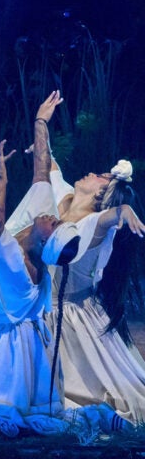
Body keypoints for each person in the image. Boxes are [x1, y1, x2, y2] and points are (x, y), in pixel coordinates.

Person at [0, 93, 128, 438]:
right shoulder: (45, 217)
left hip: (4, 337)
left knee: (6, 411)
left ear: (46, 242)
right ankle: (89, 414)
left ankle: (93, 416)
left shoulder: (20, 260)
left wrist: (1, 181)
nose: (51, 217)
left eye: (53, 225)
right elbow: (43, 167)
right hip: (6, 326)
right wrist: (40, 122)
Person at [44, 157, 145, 422]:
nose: (89, 171)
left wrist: (124, 209)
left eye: (99, 176)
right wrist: (41, 126)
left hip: (69, 315)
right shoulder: (66, 202)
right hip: (46, 308)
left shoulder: (93, 223)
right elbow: (52, 169)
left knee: (82, 389)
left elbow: (111, 217)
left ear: (102, 193)